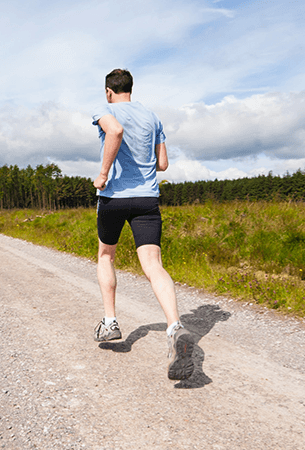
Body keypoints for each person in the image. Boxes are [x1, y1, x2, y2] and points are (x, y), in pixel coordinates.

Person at [91, 68, 194, 380]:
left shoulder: (105, 110)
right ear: (130, 89)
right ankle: (175, 326)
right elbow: (162, 163)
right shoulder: (152, 117)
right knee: (153, 264)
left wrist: (104, 173)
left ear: (109, 91)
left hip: (113, 198)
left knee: (106, 255)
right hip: (147, 199)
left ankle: (110, 322)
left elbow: (115, 131)